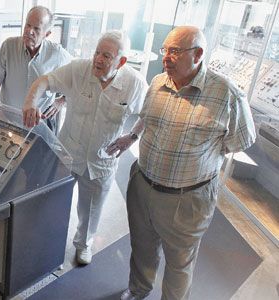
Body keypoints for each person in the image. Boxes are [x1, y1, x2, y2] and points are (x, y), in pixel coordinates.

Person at [120, 26, 256, 300]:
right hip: (143, 186)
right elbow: (147, 117)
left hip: (187, 199)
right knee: (142, 247)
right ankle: (138, 290)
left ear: (198, 54)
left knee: (179, 262)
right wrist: (132, 135)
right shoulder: (158, 82)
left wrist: (202, 156)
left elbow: (241, 140)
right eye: (165, 50)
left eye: (174, 51)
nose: (166, 58)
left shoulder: (226, 94)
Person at [22, 31, 148, 265]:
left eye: (107, 56)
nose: (98, 60)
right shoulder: (79, 69)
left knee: (91, 210)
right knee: (53, 201)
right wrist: (30, 103)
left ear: (121, 61)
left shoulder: (135, 84)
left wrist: (132, 137)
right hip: (67, 154)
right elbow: (44, 81)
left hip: (101, 161)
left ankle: (83, 245)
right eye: (97, 53)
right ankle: (48, 241)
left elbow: (150, 113)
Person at [0, 5, 71, 132]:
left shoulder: (58, 54)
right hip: (8, 121)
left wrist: (62, 100)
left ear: (46, 34)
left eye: (36, 28)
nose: (29, 31)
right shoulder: (9, 45)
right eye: (27, 25)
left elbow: (77, 80)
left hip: (40, 123)